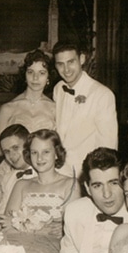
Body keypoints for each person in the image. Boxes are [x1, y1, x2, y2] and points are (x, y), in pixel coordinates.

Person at [4, 129, 81, 253]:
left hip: (48, 248)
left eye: (46, 152)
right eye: (34, 153)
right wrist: (40, 227)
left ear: (57, 153)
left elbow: (71, 230)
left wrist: (48, 229)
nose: (39, 158)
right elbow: (7, 224)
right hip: (16, 244)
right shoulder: (22, 185)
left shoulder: (69, 184)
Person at [50, 147, 128, 253]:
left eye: (114, 183)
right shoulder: (76, 212)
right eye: (98, 185)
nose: (107, 194)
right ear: (87, 188)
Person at [52, 41, 118, 177]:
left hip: (83, 174)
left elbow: (108, 147)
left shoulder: (102, 95)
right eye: (60, 64)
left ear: (81, 59)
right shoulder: (58, 89)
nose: (66, 70)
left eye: (71, 62)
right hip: (56, 171)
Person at [0, 49, 55, 157]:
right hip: (16, 169)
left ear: (48, 77)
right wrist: (15, 148)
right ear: (25, 75)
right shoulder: (8, 108)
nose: (35, 78)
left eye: (42, 73)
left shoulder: (55, 108)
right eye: (30, 72)